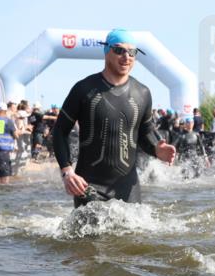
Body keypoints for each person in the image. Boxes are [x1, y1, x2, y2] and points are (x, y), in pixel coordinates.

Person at [53, 29, 175, 205]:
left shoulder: (142, 93)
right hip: (88, 186)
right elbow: (60, 131)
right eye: (119, 50)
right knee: (90, 233)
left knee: (134, 232)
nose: (126, 56)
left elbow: (145, 133)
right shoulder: (84, 89)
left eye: (132, 52)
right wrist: (67, 171)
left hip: (128, 188)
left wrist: (157, 149)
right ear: (106, 51)